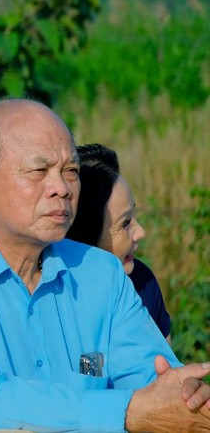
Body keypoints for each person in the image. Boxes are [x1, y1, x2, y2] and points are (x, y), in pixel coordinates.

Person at [0, 98, 210, 432]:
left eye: (70, 171)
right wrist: (126, 412)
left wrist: (186, 399)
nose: (61, 188)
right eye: (39, 170)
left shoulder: (101, 273)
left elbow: (154, 383)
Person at [68, 143, 172, 338]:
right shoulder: (57, 302)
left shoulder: (142, 281)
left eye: (133, 215)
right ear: (84, 233)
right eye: (125, 223)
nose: (140, 232)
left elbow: (166, 355)